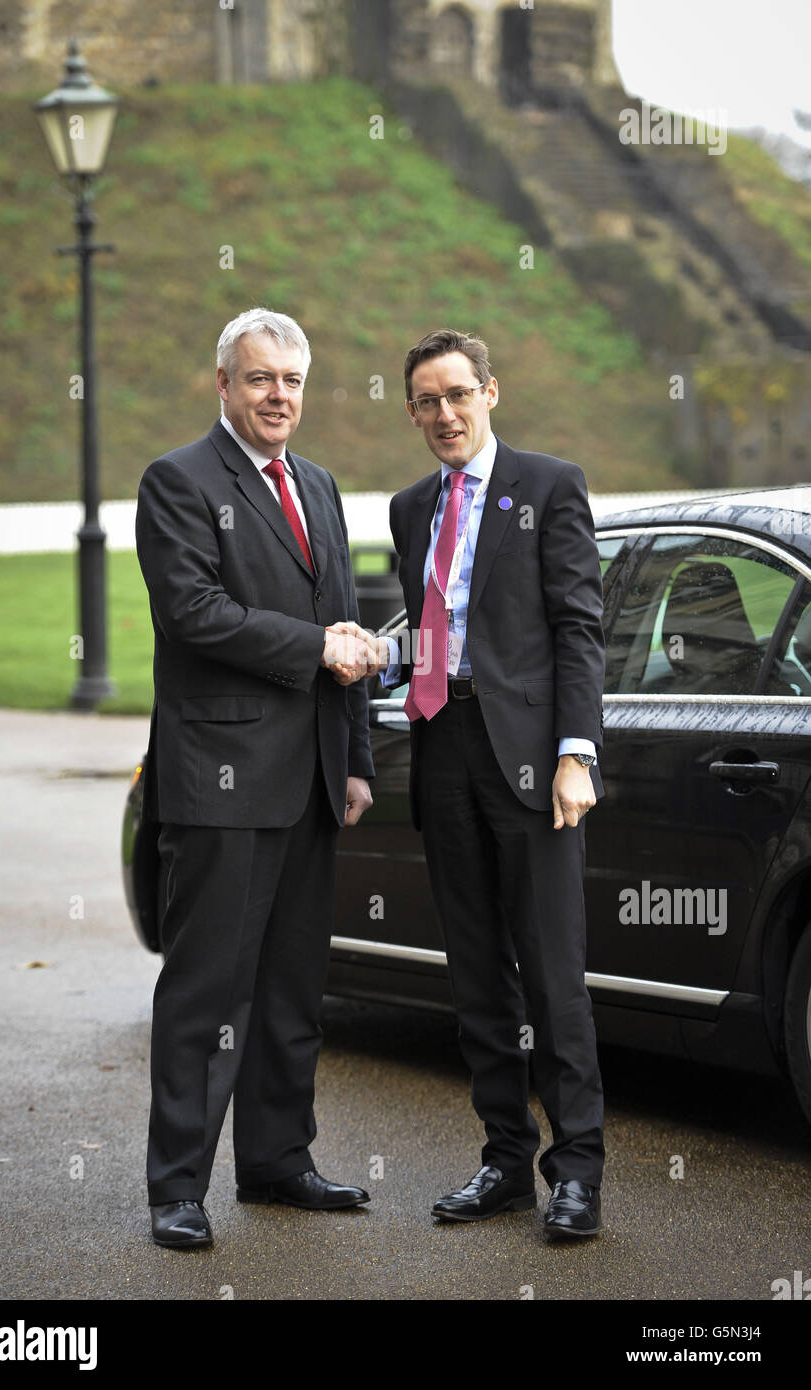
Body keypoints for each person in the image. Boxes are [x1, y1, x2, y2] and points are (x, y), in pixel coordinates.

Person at [328, 329, 606, 1237]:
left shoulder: (549, 485)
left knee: (551, 970)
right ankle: (502, 1165)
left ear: (491, 391)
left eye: (457, 394)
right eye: (425, 401)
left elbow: (577, 628)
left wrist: (575, 752)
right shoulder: (413, 508)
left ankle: (576, 1174)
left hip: (531, 758)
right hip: (442, 749)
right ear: (410, 410)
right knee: (477, 970)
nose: (443, 414)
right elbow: (440, 625)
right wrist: (383, 656)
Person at [135, 308, 380, 1248]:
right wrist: (318, 647)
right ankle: (177, 1187)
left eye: (292, 382)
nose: (279, 396)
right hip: (221, 781)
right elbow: (194, 612)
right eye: (261, 379)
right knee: (208, 989)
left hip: (311, 780)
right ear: (224, 386)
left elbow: (346, 623)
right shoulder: (179, 481)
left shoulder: (316, 484)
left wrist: (354, 760)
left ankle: (277, 1164)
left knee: (289, 989)